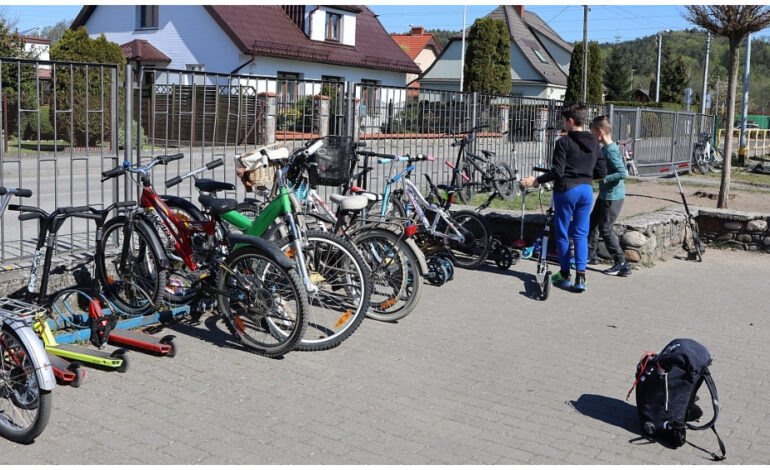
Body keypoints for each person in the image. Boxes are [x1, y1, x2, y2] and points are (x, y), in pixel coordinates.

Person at [521, 102, 606, 292]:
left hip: (567, 190)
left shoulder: (564, 142)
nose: (563, 125)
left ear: (570, 120)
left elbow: (557, 172)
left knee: (562, 233)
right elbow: (602, 171)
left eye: (563, 121)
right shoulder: (594, 142)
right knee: (581, 234)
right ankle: (581, 278)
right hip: (586, 191)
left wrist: (536, 180)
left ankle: (565, 274)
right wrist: (584, 175)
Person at [587, 115, 631, 277]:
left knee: (605, 229)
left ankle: (621, 263)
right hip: (605, 194)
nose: (592, 136)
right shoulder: (605, 149)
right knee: (592, 223)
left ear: (600, 132)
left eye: (592, 133)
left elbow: (622, 173)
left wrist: (602, 178)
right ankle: (591, 256)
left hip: (613, 197)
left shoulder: (611, 150)